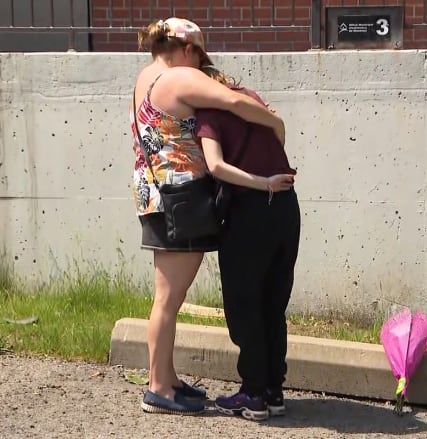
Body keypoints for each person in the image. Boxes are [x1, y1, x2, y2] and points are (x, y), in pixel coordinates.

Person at [129, 17, 285, 415]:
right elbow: (232, 101)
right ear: (187, 51)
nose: (201, 66)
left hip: (157, 193)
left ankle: (166, 378)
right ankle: (159, 387)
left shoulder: (147, 75)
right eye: (199, 57)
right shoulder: (178, 77)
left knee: (169, 296)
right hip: (180, 198)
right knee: (168, 297)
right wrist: (274, 119)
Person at [195, 66, 301, 421]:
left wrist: (261, 181)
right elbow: (278, 131)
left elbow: (215, 166)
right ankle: (274, 391)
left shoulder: (208, 114)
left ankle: (253, 394)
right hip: (287, 206)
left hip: (251, 209)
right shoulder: (251, 98)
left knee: (244, 304)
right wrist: (272, 179)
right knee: (274, 301)